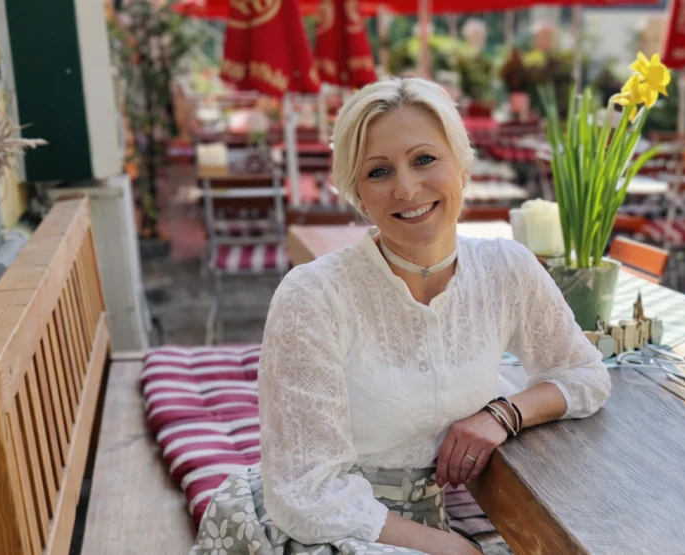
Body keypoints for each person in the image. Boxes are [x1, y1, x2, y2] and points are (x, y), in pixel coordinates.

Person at [192, 78, 611, 555]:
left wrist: (504, 413)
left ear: (463, 165)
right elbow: (306, 492)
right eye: (378, 172)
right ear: (356, 193)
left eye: (424, 159)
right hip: (323, 527)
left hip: (437, 515)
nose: (407, 188)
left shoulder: (506, 269)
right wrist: (453, 549)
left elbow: (584, 374)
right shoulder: (313, 295)